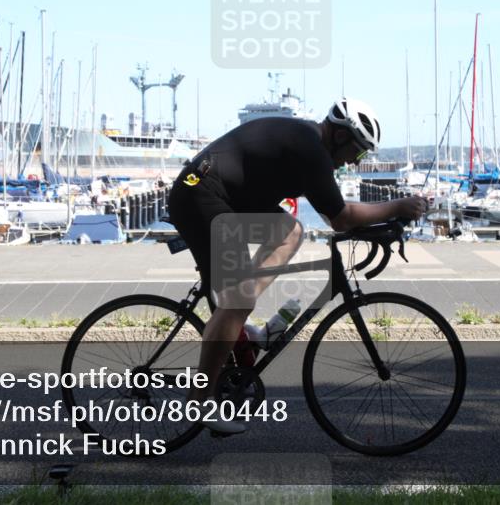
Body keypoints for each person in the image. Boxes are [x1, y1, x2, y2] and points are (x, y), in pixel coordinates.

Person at [167, 98, 429, 434]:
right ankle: (200, 399)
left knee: (289, 231)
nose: (355, 160)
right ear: (340, 136)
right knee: (238, 300)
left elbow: (335, 212)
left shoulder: (309, 144)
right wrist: (398, 206)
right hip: (201, 195)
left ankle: (244, 327)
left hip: (221, 196)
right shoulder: (311, 150)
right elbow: (341, 218)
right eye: (358, 151)